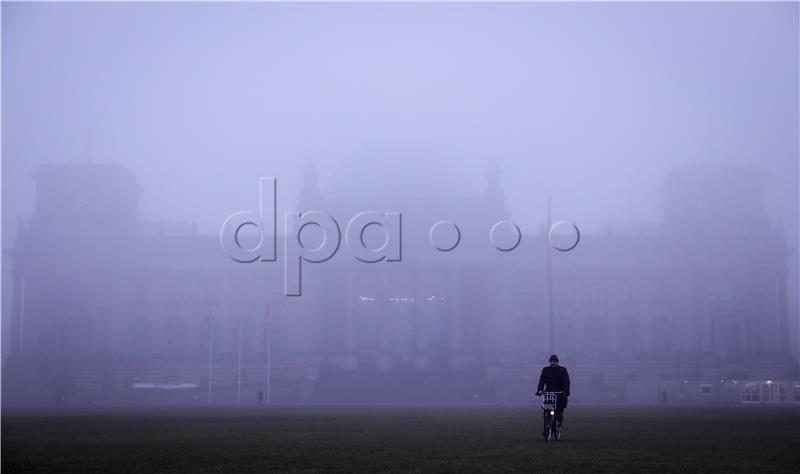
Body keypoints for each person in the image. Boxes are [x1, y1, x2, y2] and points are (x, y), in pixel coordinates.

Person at [536, 354, 570, 437]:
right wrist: (539, 390)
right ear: (549, 362)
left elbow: (567, 382)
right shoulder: (545, 370)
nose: (553, 363)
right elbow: (541, 381)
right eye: (551, 361)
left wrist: (565, 391)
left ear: (557, 362)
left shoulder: (563, 370)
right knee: (546, 409)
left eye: (554, 361)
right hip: (549, 392)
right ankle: (547, 426)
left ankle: (559, 422)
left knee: (559, 410)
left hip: (560, 392)